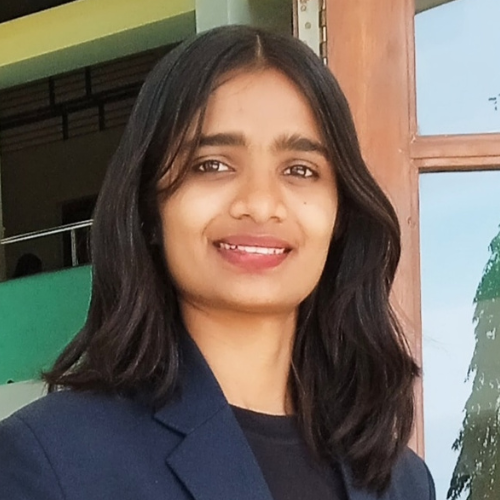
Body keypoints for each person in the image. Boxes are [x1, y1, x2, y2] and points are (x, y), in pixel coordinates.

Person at [0, 26, 435, 500]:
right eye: (212, 165)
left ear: (340, 214)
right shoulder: (51, 459)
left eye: (300, 170)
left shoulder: (400, 479)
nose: (261, 204)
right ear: (149, 207)